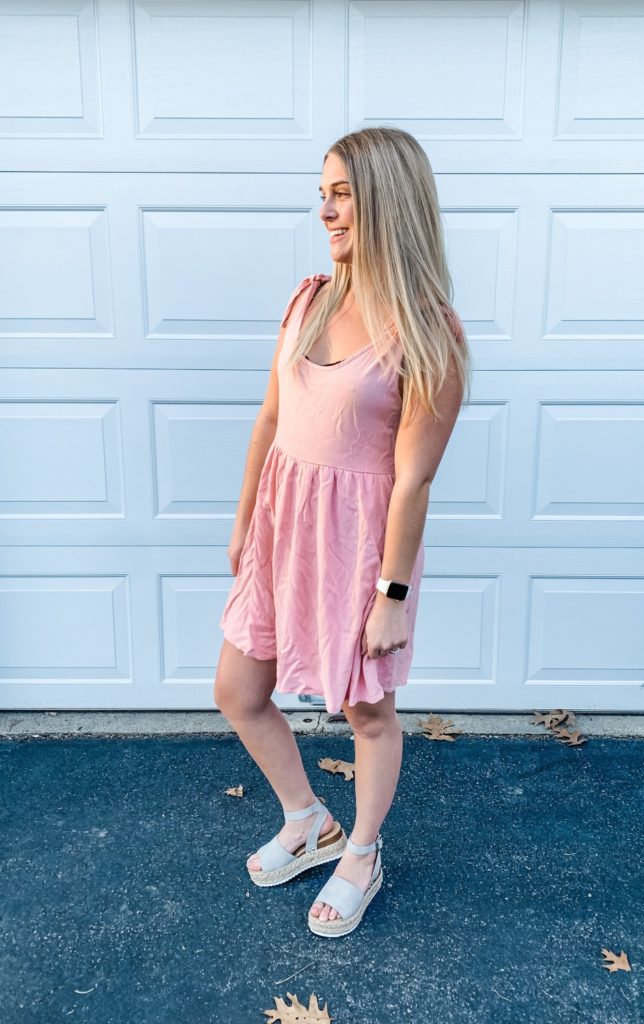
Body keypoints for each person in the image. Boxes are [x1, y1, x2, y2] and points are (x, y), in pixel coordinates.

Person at [213, 126, 472, 938]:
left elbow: (413, 478)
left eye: (340, 193)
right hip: (281, 531)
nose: (322, 208)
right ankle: (307, 819)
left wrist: (390, 595)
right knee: (238, 691)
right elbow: (269, 417)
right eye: (320, 191)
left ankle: (360, 851)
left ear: (386, 200)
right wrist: (245, 516)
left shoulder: (428, 333)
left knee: (366, 715)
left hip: (359, 546)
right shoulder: (307, 298)